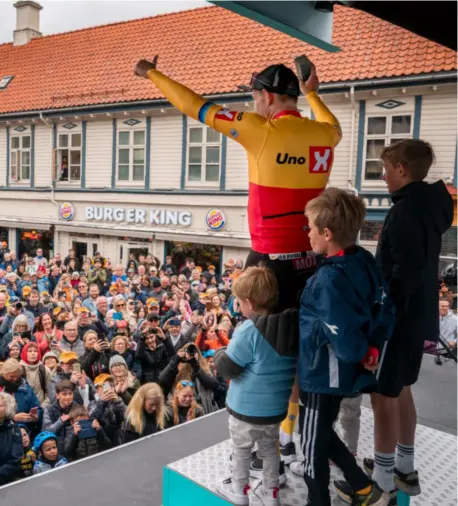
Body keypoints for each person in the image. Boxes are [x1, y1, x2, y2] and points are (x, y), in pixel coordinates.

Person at [136, 55, 342, 450]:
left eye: (253, 98)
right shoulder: (325, 133)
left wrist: (152, 73)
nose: (251, 106)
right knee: (298, 344)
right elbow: (333, 126)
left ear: (266, 97)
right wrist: (313, 94)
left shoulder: (258, 129)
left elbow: (192, 105)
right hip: (311, 259)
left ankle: (270, 428)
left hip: (269, 258)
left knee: (261, 345)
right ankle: (294, 427)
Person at [367, 140, 454, 499]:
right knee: (401, 388)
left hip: (397, 321)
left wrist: (382, 315)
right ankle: (403, 467)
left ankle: (383, 480)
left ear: (402, 169)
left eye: (386, 170)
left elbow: (403, 273)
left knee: (382, 396)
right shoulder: (430, 208)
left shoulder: (404, 211)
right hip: (418, 318)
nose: (383, 178)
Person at [296, 188, 394, 506]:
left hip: (322, 375)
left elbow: (344, 333)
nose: (306, 233)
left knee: (311, 447)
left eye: (309, 227)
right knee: (321, 432)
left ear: (326, 233)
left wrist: (358, 352)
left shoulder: (325, 281)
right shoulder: (363, 259)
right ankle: (362, 487)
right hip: (339, 376)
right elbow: (385, 307)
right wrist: (373, 349)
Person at [213, 266, 297, 505]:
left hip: (246, 409)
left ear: (248, 302)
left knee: (241, 450)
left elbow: (229, 367)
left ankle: (239, 491)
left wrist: (219, 353)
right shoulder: (290, 327)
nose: (237, 307)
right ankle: (271, 494)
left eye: (238, 302)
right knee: (270, 449)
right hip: (275, 411)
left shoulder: (248, 330)